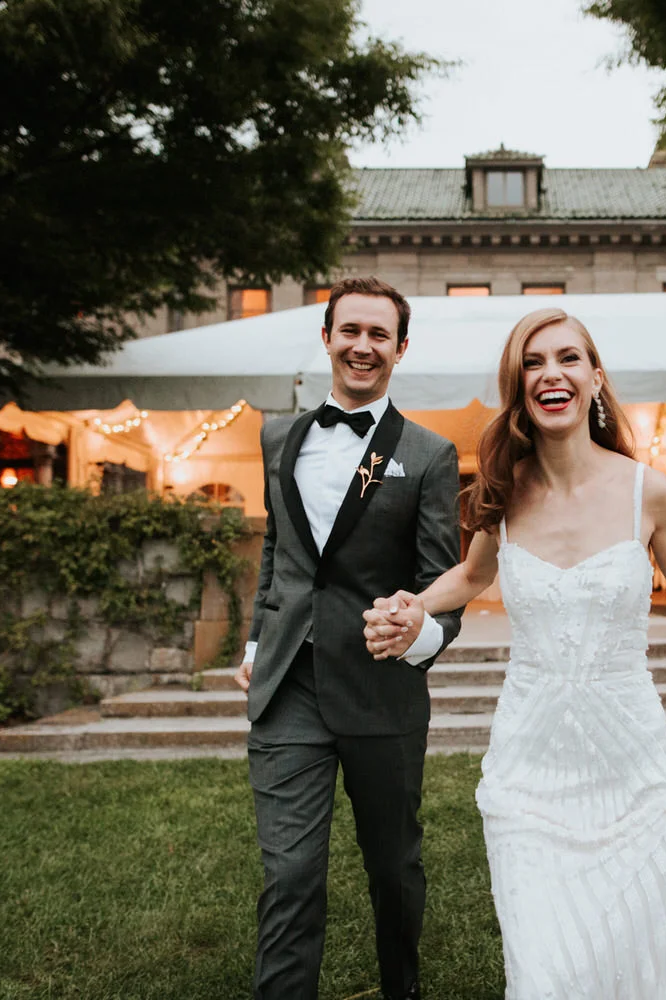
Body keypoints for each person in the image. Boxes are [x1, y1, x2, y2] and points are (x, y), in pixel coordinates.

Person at [363, 308, 666, 998]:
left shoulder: (648, 491)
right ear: (519, 386)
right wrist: (413, 606)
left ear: (595, 378)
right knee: (544, 969)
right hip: (529, 768)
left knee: (644, 952)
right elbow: (472, 575)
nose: (550, 373)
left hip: (631, 763)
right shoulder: (504, 489)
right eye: (532, 363)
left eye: (567, 358)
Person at [235, 276, 464, 1000]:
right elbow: (279, 550)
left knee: (392, 866)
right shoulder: (278, 436)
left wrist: (420, 633)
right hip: (289, 685)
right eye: (350, 331)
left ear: (400, 348)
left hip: (380, 685)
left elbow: (444, 580)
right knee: (291, 872)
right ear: (327, 337)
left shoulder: (429, 454)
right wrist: (252, 643)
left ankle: (403, 987)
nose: (362, 346)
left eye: (378, 335)